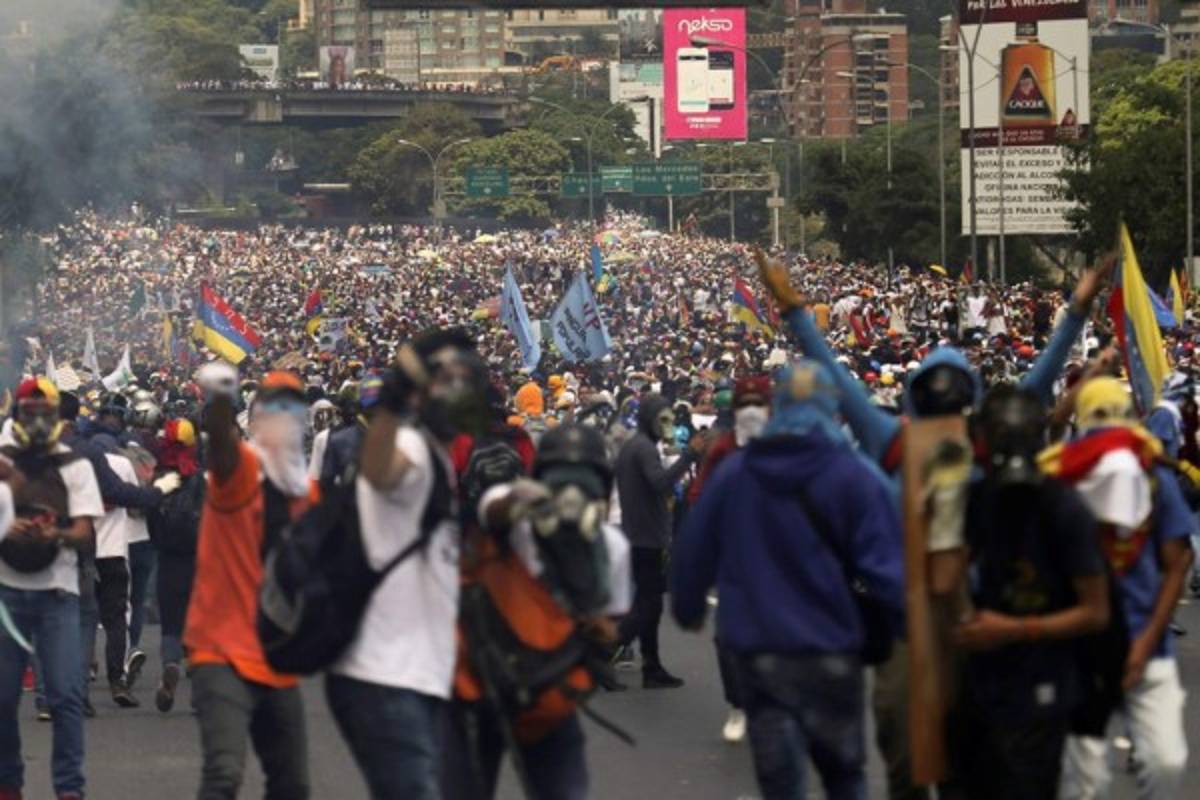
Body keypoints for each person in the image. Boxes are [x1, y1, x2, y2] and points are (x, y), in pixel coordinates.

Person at [672, 360, 904, 800]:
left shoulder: (737, 473)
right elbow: (887, 565)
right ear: (832, 410)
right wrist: (903, 626)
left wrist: (688, 607)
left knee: (781, 782)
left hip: (759, 650)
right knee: (844, 775)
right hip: (832, 647)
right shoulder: (853, 475)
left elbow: (694, 547)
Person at [327, 329, 484, 799]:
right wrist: (393, 404)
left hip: (417, 674)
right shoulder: (412, 450)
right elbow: (378, 473)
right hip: (386, 677)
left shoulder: (436, 454)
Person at [444, 423, 631, 800]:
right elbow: (489, 509)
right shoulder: (516, 529)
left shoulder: (610, 549)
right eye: (562, 479)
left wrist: (590, 623)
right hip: (479, 691)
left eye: (584, 482)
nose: (572, 493)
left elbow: (611, 630)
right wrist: (521, 503)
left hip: (547, 700)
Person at [941, 385, 1109, 800]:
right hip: (982, 681)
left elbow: (1095, 612)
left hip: (1041, 682)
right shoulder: (978, 499)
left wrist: (1014, 629)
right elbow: (947, 575)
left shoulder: (1063, 508)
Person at [1046, 378, 1195, 800]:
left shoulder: (1153, 478)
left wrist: (1147, 640)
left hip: (1148, 645)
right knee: (1083, 779)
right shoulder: (1062, 479)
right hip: (1078, 649)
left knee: (1167, 762)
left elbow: (1176, 561)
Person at [184, 365, 315, 800]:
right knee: (224, 773)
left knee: (292, 784)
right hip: (221, 650)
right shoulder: (242, 471)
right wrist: (220, 400)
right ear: (254, 418)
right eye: (271, 409)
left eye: (291, 409)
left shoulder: (308, 495)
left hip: (277, 659)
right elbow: (220, 449)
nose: (281, 419)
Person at [0, 377, 104, 800]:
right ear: (18, 416)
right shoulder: (4, 465)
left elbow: (84, 529)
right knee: (3, 700)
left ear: (58, 418)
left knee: (65, 696)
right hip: (7, 592)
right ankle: (8, 782)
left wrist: (53, 534)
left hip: (58, 592)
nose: (39, 421)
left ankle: (69, 789)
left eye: (47, 413)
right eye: (31, 413)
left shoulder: (75, 466)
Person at [685, 374, 771, 744]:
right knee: (727, 637)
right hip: (735, 554)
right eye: (745, 404)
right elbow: (699, 496)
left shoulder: (786, 445)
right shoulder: (722, 450)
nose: (751, 411)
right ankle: (738, 704)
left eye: (758, 404)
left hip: (777, 557)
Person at [614, 392, 705, 689]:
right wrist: (689, 455)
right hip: (645, 537)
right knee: (647, 607)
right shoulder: (643, 449)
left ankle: (651, 667)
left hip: (643, 533)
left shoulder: (637, 446)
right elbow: (661, 483)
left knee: (649, 606)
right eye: (662, 419)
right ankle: (600, 653)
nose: (667, 425)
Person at [148, 417, 202, 713]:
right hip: (199, 558)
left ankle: (170, 664)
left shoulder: (159, 477)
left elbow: (151, 516)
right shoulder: (201, 477)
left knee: (171, 623)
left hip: (168, 559)